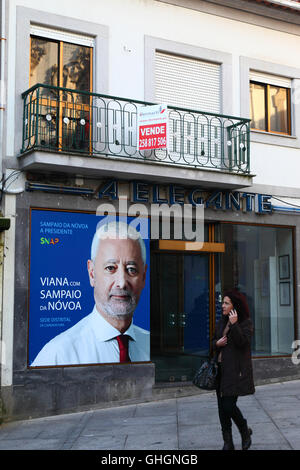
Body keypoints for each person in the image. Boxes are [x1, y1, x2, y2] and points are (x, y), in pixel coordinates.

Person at [31, 221, 149, 366]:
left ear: (143, 276)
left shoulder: (150, 346)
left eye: (131, 269)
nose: (122, 282)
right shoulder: (58, 354)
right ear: (92, 273)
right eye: (111, 268)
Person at [212, 289, 255, 450]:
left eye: (226, 303)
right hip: (220, 371)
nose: (222, 305)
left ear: (235, 306)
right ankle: (227, 442)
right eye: (222, 302)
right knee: (221, 409)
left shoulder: (246, 323)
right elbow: (213, 341)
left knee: (228, 406)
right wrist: (216, 344)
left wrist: (235, 324)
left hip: (235, 372)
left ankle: (244, 430)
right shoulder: (221, 321)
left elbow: (242, 342)